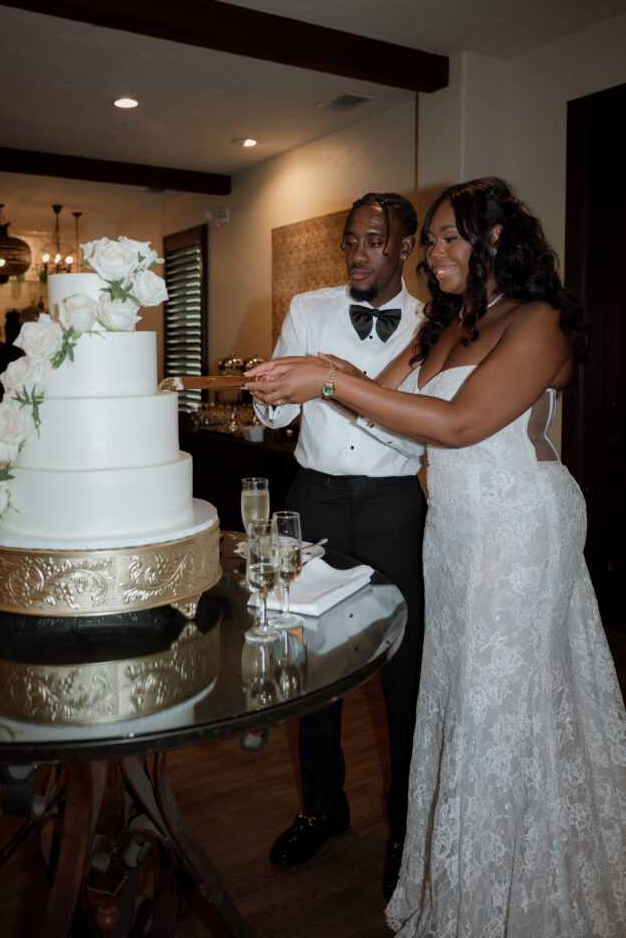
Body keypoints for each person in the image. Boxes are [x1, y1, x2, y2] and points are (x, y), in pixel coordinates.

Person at [246, 178, 626, 937]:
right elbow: (373, 398)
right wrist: (304, 376)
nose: (435, 255)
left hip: (520, 526)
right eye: (434, 242)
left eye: (449, 237)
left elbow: (456, 424)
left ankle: (527, 886)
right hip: (452, 529)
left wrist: (325, 377)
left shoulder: (538, 320)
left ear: (491, 241)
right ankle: (461, 877)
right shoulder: (447, 327)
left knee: (503, 704)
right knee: (455, 697)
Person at [252, 192, 427, 897]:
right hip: (314, 498)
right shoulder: (307, 307)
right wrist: (267, 394)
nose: (358, 254)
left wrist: (333, 385)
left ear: (405, 248)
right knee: (310, 660)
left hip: (393, 505)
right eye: (351, 240)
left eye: (375, 241)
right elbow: (273, 409)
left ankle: (406, 830)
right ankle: (322, 808)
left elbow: (423, 425)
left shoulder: (433, 320)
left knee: (403, 670)